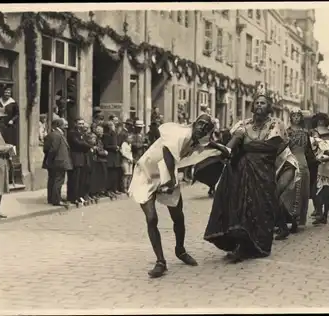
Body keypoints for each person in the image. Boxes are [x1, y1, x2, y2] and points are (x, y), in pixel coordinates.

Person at [129, 114, 217, 278]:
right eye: (200, 124)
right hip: (147, 173)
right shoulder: (181, 134)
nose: (202, 128)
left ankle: (180, 250)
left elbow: (209, 143)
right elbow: (167, 152)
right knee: (151, 219)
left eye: (206, 127)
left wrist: (223, 149)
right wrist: (170, 182)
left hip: (165, 172)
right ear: (193, 124)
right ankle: (160, 261)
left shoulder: (199, 137)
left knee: (178, 216)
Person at [203, 93, 287, 263]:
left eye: (263, 103)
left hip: (263, 173)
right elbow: (229, 148)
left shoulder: (276, 124)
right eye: (256, 103)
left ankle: (258, 244)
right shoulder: (242, 125)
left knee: (261, 207)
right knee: (241, 207)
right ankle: (240, 245)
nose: (259, 105)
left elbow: (276, 147)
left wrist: (250, 145)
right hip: (241, 172)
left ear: (269, 107)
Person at [285, 109, 312, 229]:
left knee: (302, 192)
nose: (296, 118)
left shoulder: (306, 133)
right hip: (290, 161)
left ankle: (297, 218)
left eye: (298, 116)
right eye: (294, 116)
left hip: (303, 162)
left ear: (301, 118)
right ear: (291, 117)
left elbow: (308, 150)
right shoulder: (287, 132)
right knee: (288, 190)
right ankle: (287, 216)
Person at [42, 118, 72, 207]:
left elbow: (47, 149)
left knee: (52, 180)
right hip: (58, 162)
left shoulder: (53, 134)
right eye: (64, 124)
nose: (66, 126)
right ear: (59, 125)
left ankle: (52, 198)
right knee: (58, 180)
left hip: (55, 162)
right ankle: (56, 200)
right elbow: (53, 149)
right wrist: (50, 160)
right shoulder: (57, 135)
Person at [67, 118, 92, 206]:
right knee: (74, 179)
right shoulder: (72, 133)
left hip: (81, 158)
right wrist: (88, 146)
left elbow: (83, 142)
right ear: (75, 124)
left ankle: (78, 196)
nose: (81, 125)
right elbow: (77, 143)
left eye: (82, 124)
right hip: (75, 158)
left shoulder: (81, 133)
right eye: (79, 124)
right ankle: (72, 197)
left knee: (80, 179)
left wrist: (85, 144)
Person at [103, 121, 122, 196]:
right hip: (110, 156)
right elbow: (106, 146)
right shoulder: (106, 135)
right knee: (110, 175)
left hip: (115, 157)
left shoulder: (114, 134)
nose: (113, 127)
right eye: (112, 126)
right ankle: (108, 190)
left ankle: (114, 189)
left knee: (115, 174)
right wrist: (114, 147)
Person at [91, 125, 110, 199]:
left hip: (102, 160)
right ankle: (96, 192)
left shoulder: (100, 139)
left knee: (102, 177)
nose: (102, 133)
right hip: (98, 160)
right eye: (101, 131)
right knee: (98, 177)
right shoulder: (95, 138)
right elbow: (97, 149)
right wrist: (104, 152)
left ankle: (99, 191)